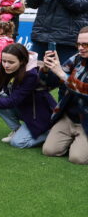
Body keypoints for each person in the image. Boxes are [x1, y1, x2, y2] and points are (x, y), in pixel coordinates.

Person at [0, 43, 55, 148]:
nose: (6, 65)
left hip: (39, 114)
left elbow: (13, 100)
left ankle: (48, 133)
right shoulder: (4, 68)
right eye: (4, 61)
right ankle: (18, 130)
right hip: (24, 108)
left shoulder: (31, 74)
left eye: (11, 62)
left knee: (18, 143)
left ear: (22, 61)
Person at [40, 28, 88, 164]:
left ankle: (80, 143)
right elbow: (47, 84)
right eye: (78, 44)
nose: (81, 48)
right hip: (69, 117)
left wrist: (61, 74)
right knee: (49, 150)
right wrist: (46, 69)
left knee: (77, 158)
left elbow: (84, 91)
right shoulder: (77, 58)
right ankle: (76, 141)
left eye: (86, 45)